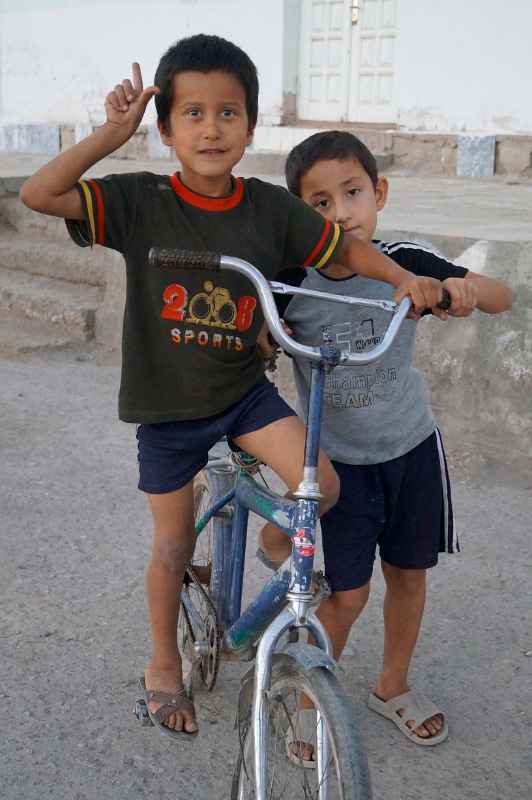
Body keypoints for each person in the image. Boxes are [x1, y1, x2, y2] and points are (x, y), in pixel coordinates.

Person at [19, 36, 448, 740]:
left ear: (251, 127)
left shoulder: (267, 211)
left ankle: (277, 545)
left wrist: (402, 278)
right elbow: (41, 194)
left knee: (325, 487)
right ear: (166, 128)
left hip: (244, 396)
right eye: (192, 112)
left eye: (228, 112)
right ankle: (164, 664)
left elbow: (343, 248)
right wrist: (112, 134)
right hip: (167, 407)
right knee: (168, 545)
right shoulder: (138, 199)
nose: (210, 127)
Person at [258, 130, 512, 754]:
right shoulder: (290, 280)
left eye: (351, 193)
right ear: (300, 215)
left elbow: (501, 297)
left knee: (408, 574)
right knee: (346, 595)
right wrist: (264, 335)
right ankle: (310, 694)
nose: (340, 212)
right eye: (318, 204)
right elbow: (256, 332)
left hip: (411, 450)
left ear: (380, 193)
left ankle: (392, 684)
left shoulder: (406, 262)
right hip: (340, 465)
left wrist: (460, 293)